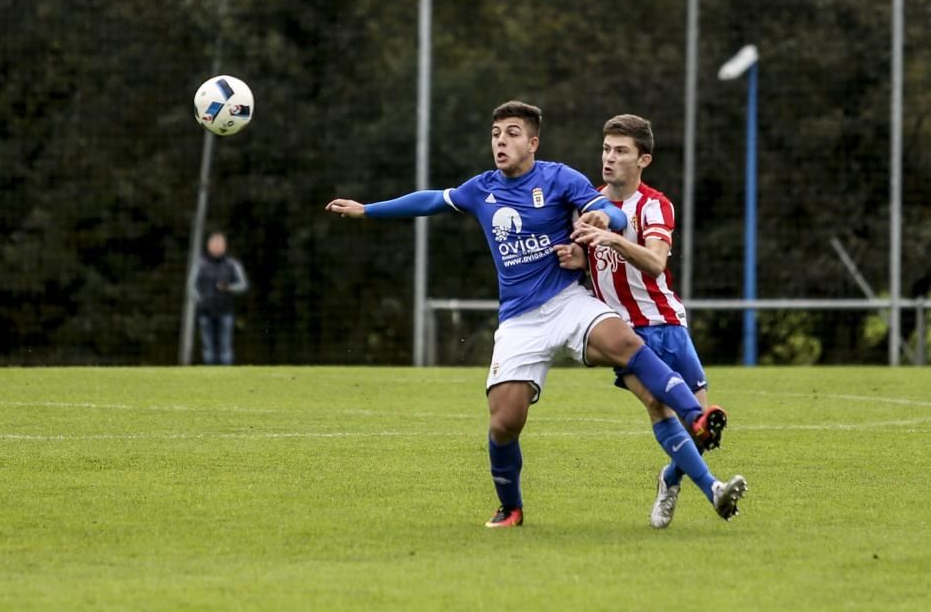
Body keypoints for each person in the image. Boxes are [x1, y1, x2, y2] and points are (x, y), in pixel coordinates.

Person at [326, 101, 745, 528]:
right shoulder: (481, 188)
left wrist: (603, 216)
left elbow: (612, 211)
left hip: (567, 302)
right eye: (495, 134)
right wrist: (368, 209)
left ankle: (695, 417)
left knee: (625, 342)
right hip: (520, 320)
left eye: (511, 133)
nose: (500, 141)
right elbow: (432, 200)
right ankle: (511, 508)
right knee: (505, 421)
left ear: (532, 142)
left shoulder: (559, 177)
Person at [557, 113, 730, 528]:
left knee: (701, 431)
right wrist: (576, 259)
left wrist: (614, 237)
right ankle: (715, 491)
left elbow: (654, 262)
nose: (609, 158)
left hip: (666, 322)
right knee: (656, 405)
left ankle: (669, 478)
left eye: (621, 151)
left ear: (643, 160)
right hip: (622, 333)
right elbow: (586, 265)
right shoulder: (585, 204)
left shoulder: (655, 205)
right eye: (606, 149)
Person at [190, 231, 248, 365]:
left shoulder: (232, 264)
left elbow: (243, 285)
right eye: (214, 244)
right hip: (205, 312)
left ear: (225, 246)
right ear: (208, 245)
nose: (216, 247)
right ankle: (209, 378)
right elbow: (191, 287)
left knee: (225, 347)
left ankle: (227, 378)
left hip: (226, 311)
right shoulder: (200, 264)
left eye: (219, 244)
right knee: (208, 348)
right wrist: (200, 301)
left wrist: (228, 287)